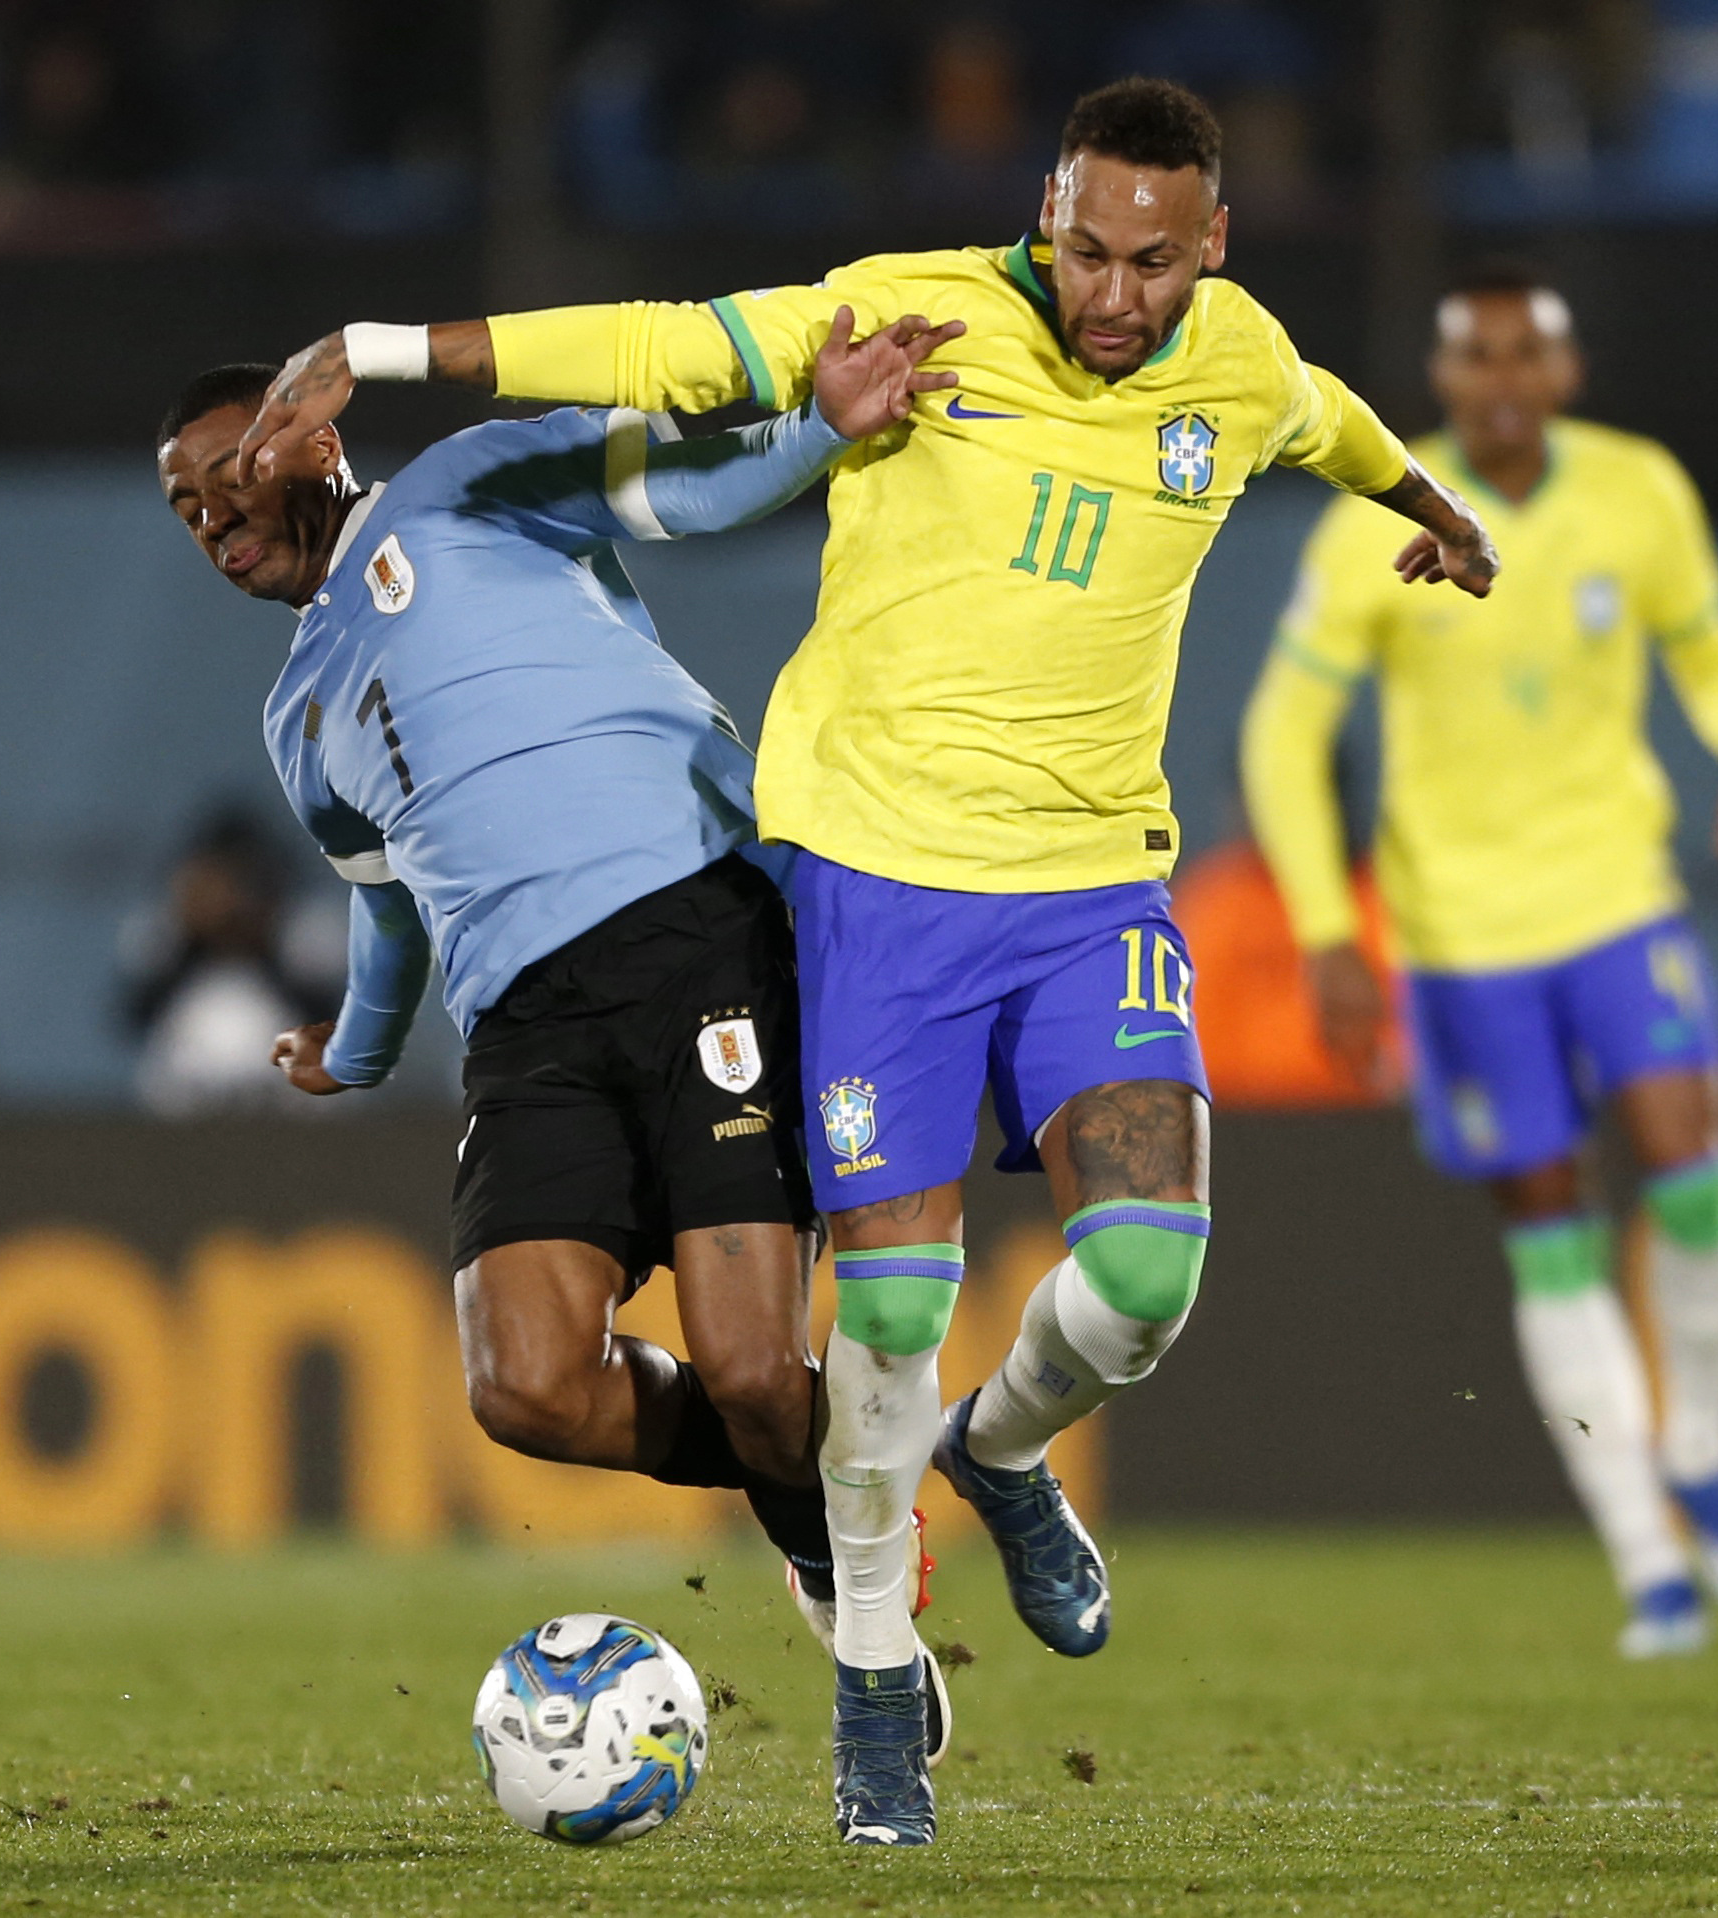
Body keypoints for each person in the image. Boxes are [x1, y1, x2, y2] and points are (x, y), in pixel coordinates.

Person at [236, 76, 1500, 1843]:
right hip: (872, 890)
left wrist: (1431, 502)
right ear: (1040, 219)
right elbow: (670, 348)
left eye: (1151, 261)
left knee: (1136, 1285)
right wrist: (381, 336)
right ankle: (872, 1695)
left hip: (1072, 892)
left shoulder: (1240, 359)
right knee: (860, 1329)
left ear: (1212, 248)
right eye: (1082, 249)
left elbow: (1330, 418)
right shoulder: (921, 305)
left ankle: (994, 1452)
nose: (1112, 294)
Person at [156, 307, 962, 1756]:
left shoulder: (466, 486)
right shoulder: (296, 718)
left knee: (755, 1373)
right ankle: (839, 1499)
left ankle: (862, 1621)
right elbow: (393, 904)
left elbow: (689, 488)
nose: (211, 513)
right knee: (523, 1386)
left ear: (317, 437)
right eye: (183, 502)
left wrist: (823, 426)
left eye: (228, 467)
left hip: (694, 934)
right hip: (522, 1026)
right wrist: (354, 1042)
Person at [1242, 262, 1718, 1659]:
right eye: (1472, 357)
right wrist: (1328, 929)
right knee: (1551, 1230)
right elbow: (1279, 733)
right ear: (1441, 381)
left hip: (1618, 897)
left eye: (1524, 354)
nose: (1499, 379)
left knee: (1692, 1167)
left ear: (1564, 373)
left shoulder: (1639, 491)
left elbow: (1707, 644)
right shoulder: (1383, 518)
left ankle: (1701, 1452)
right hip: (1460, 939)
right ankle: (1644, 1557)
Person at [119, 805, 345, 1116]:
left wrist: (261, 940)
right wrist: (194, 938)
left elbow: (333, 1023)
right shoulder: (168, 928)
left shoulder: (302, 927)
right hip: (187, 1094)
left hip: (285, 1101)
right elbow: (134, 1018)